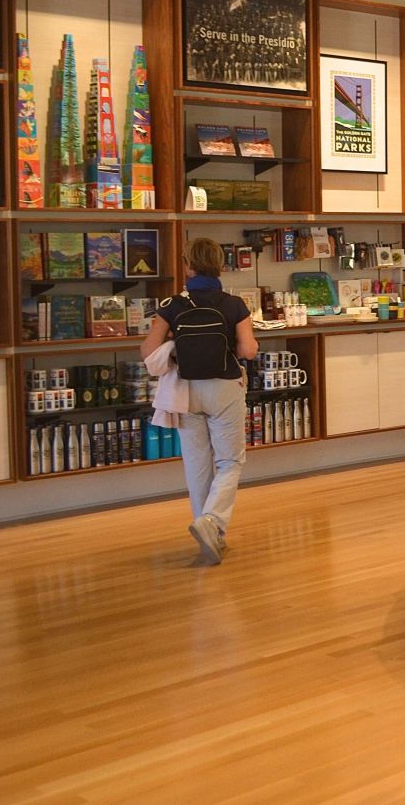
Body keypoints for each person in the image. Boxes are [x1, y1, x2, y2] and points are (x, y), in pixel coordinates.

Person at [141, 237, 258, 565]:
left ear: (188, 266)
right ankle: (212, 523)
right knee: (230, 462)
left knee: (197, 464)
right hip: (224, 388)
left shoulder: (172, 305)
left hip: (185, 391)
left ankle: (210, 532)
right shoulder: (234, 304)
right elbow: (248, 351)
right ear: (220, 265)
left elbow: (148, 351)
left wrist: (176, 348)